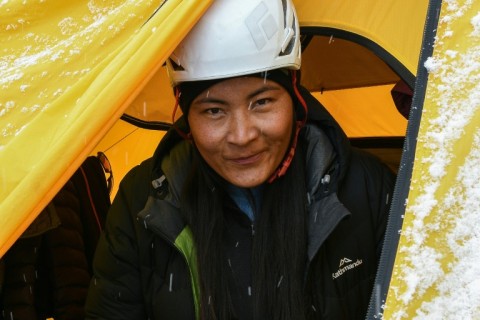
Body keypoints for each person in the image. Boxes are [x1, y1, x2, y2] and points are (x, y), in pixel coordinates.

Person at [85, 0, 396, 319]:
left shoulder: (367, 188)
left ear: (295, 97)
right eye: (214, 110)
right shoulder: (143, 200)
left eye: (261, 102)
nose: (242, 135)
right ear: (186, 115)